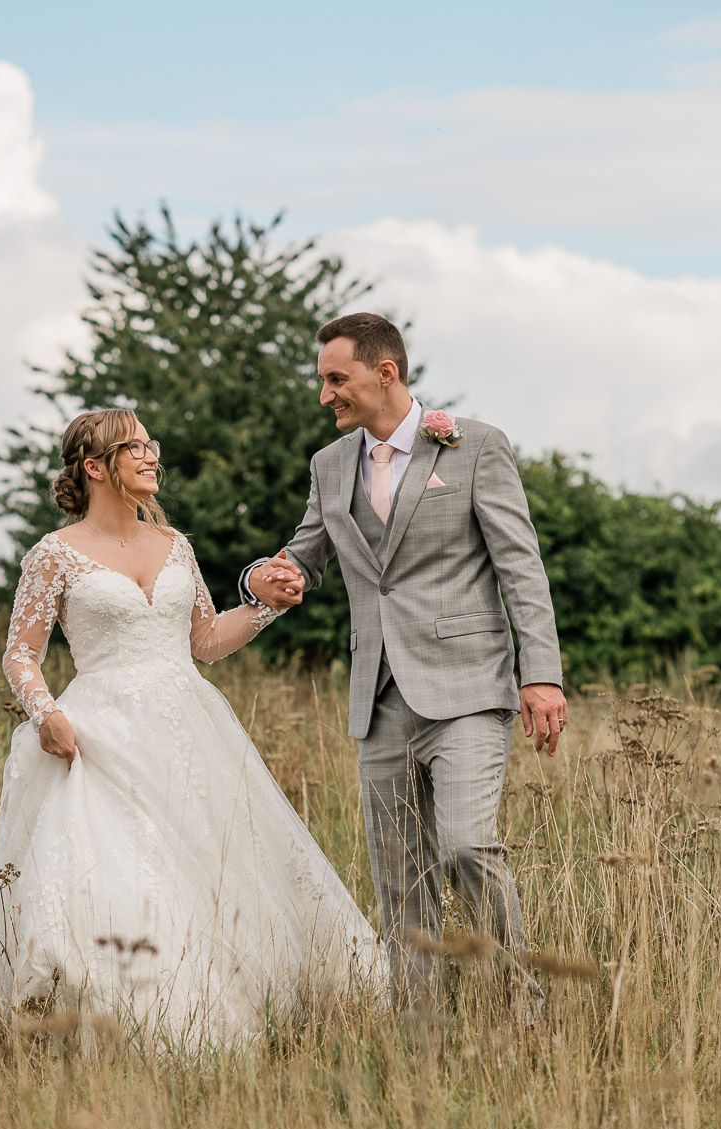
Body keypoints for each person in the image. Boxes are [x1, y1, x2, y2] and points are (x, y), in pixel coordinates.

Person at [0, 407, 388, 1044]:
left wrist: (265, 607)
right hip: (101, 734)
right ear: (95, 467)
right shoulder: (54, 555)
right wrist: (46, 713)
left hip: (189, 726)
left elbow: (206, 641)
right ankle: (134, 1011)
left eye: (151, 444)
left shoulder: (174, 545)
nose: (151, 455)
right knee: (126, 868)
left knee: (216, 865)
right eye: (134, 447)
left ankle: (240, 1001)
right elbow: (20, 653)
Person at [242, 313, 566, 1019]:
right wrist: (265, 577)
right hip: (379, 695)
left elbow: (520, 566)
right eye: (322, 380)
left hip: (469, 686)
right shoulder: (329, 465)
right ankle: (420, 1031)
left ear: (385, 372)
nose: (325, 394)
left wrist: (541, 674)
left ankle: (522, 1005)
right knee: (400, 878)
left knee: (466, 844)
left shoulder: (475, 446)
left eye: (337, 378)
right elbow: (304, 553)